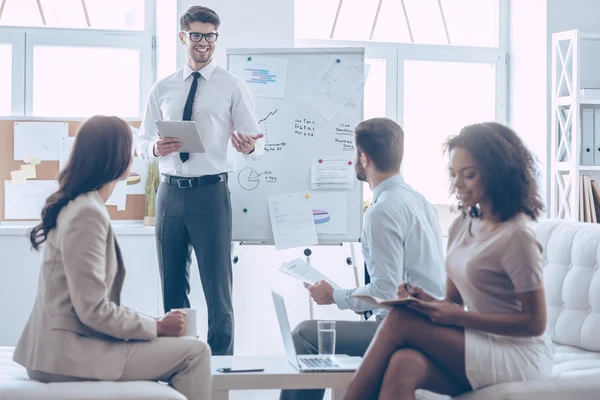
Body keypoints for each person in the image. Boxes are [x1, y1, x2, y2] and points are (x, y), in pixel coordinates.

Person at [343, 122, 554, 400]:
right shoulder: (463, 225)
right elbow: (453, 302)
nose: (457, 183)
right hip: (480, 340)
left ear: (497, 173)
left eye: (468, 174)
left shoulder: (517, 235)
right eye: (454, 174)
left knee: (399, 321)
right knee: (404, 363)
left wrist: (460, 317)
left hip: (519, 354)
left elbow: (534, 323)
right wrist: (425, 300)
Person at [13, 115, 211, 400]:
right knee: (195, 352)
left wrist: (153, 324)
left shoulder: (80, 204)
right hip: (67, 354)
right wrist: (155, 326)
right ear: (119, 159)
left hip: (61, 348)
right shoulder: (86, 213)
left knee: (185, 347)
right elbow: (93, 310)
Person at [281, 117, 446, 400]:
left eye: (354, 153)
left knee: (305, 335)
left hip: (404, 329)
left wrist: (335, 296)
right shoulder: (420, 202)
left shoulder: (382, 211)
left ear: (364, 158)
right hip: (427, 325)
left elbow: (385, 291)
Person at [136, 5, 263, 356]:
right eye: (196, 35)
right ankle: (177, 362)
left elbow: (253, 142)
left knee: (218, 292)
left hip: (211, 194)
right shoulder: (162, 88)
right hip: (169, 194)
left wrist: (249, 146)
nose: (204, 42)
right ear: (182, 38)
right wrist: (155, 148)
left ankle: (220, 372)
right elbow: (141, 141)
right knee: (173, 290)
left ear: (216, 38)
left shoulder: (232, 86)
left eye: (210, 35)